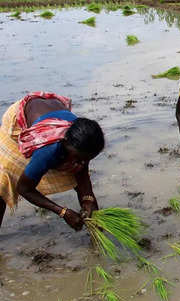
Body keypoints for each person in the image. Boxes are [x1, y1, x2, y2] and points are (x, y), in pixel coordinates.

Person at [0, 92, 105, 231]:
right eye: (79, 159)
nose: (81, 164)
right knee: (4, 180)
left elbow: (83, 177)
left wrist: (88, 200)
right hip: (19, 120)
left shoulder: (84, 142)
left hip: (49, 112)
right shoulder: (49, 149)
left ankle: (96, 233)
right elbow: (24, 189)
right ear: (66, 143)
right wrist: (62, 212)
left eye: (86, 160)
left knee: (76, 172)